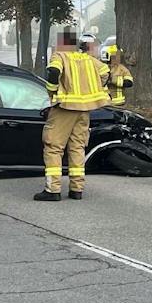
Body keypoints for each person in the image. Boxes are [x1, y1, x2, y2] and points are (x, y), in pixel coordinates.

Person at [35, 29, 109, 202]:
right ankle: (77, 189)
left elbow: (53, 72)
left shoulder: (59, 56)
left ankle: (53, 189)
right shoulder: (88, 59)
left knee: (53, 146)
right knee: (77, 147)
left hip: (65, 107)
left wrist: (52, 93)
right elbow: (106, 73)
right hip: (84, 109)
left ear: (61, 43)